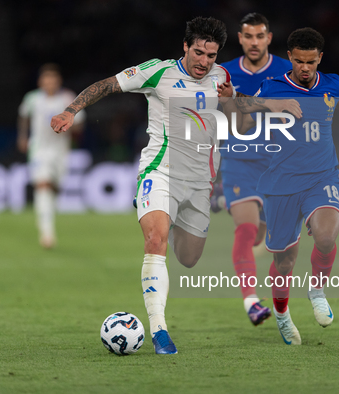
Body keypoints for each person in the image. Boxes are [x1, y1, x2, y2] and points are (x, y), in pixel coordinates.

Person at [51, 17, 233, 355]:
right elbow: (107, 85)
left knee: (190, 258)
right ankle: (159, 330)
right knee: (155, 240)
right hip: (159, 170)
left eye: (211, 55)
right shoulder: (158, 72)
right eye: (198, 53)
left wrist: (234, 100)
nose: (204, 62)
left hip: (199, 183)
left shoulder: (223, 78)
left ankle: (173, 220)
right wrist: (71, 110)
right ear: (184, 46)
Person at [219, 27, 339, 345]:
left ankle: (317, 290)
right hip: (280, 184)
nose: (305, 68)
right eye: (299, 62)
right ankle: (281, 313)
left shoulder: (331, 82)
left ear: (320, 58)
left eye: (311, 62)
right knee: (285, 261)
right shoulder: (274, 86)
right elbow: (246, 108)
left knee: (325, 237)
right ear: (289, 57)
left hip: (322, 177)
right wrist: (266, 107)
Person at [218, 13, 293, 326]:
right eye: (248, 36)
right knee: (246, 230)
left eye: (259, 36)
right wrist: (264, 103)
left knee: (274, 241)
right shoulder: (225, 73)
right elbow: (236, 123)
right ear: (240, 38)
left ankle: (281, 306)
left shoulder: (287, 71)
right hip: (239, 159)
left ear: (269, 38)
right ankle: (251, 301)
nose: (253, 42)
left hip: (277, 164)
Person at [18, 64, 86, 249]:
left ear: (58, 81)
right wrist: (22, 136)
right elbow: (24, 116)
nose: (49, 83)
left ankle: (45, 216)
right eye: (46, 79)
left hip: (60, 151)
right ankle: (47, 233)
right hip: (39, 149)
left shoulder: (67, 98)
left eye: (53, 79)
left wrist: (69, 124)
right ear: (41, 81)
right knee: (43, 184)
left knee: (53, 188)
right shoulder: (32, 98)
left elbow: (80, 124)